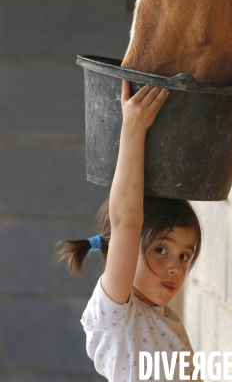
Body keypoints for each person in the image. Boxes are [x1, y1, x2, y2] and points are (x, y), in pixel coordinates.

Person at [58, 81, 202, 381]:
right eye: (161, 249)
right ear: (124, 247)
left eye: (185, 255)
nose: (175, 266)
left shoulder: (166, 321)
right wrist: (133, 129)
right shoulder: (116, 317)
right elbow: (126, 222)